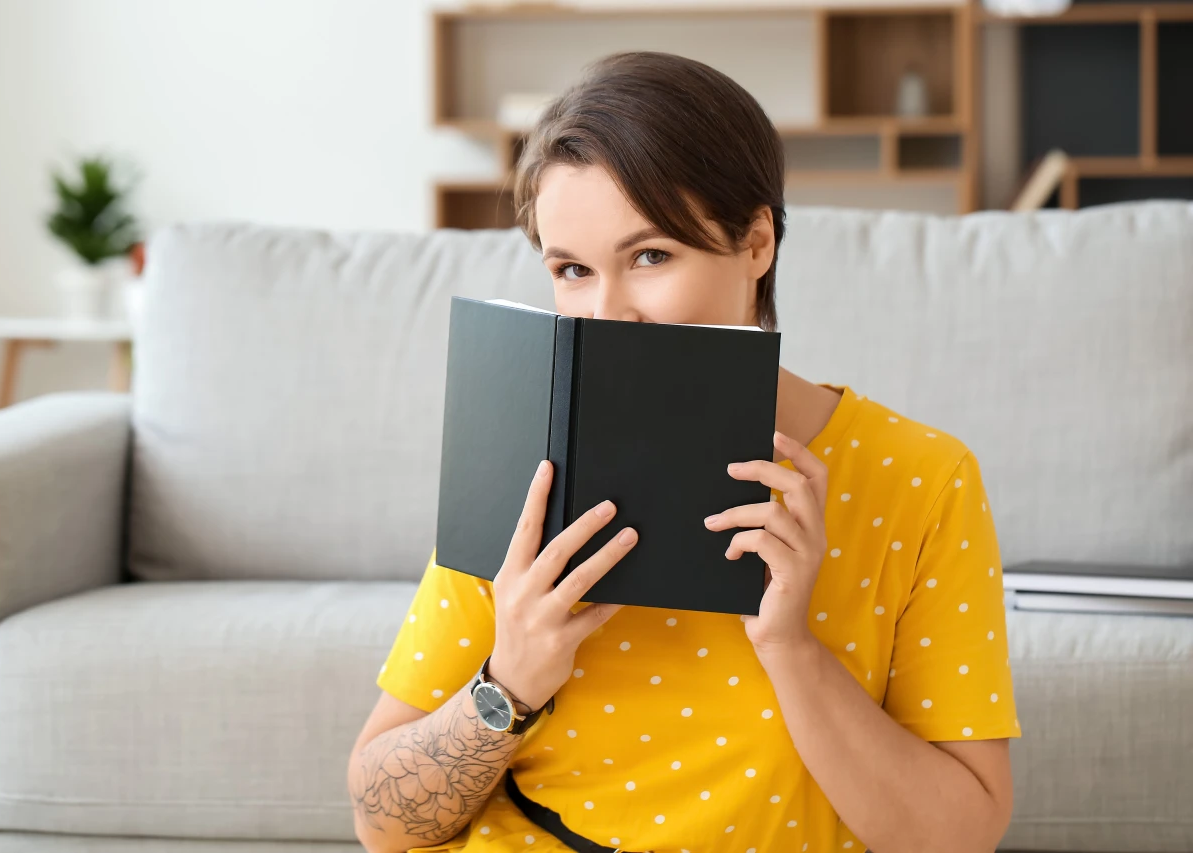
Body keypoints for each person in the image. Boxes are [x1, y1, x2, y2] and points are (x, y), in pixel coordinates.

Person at [347, 51, 1019, 853]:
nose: (608, 314)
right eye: (571, 269)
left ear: (757, 241)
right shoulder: (533, 459)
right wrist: (510, 682)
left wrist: (790, 647)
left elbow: (959, 840)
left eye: (651, 256)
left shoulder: (923, 479)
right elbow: (382, 824)